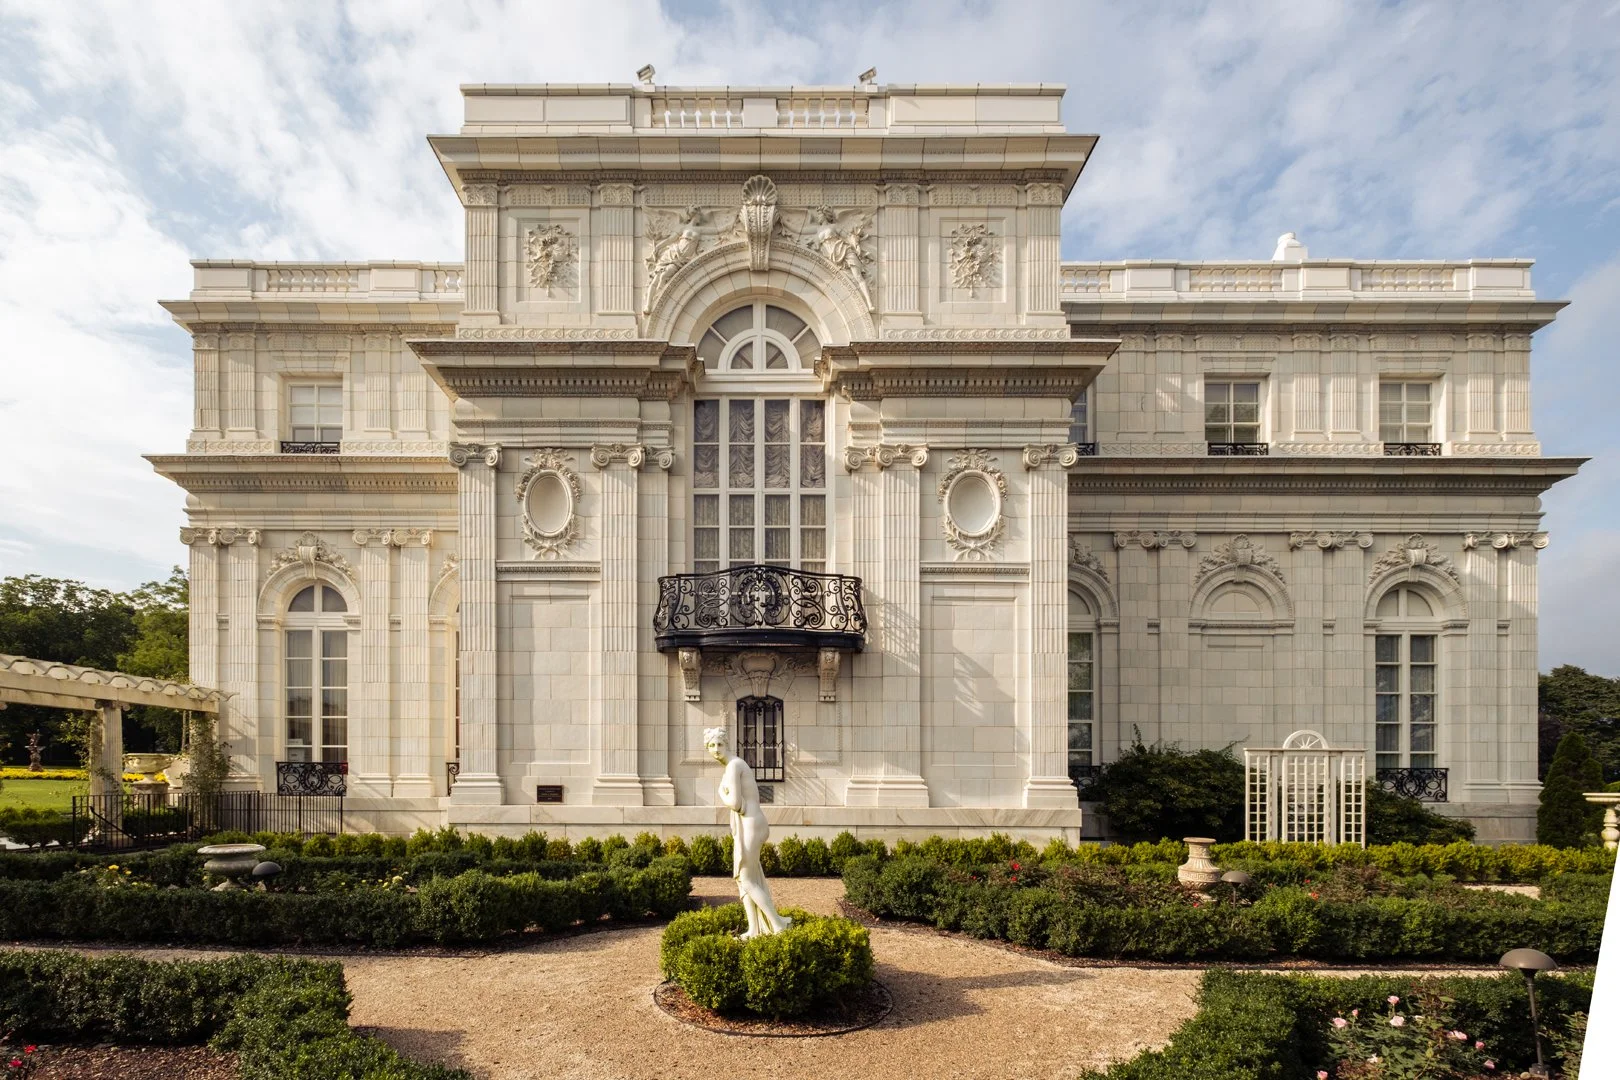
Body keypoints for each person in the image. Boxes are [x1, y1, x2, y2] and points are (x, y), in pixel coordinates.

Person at [705, 725, 790, 938]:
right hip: (747, 825)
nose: (716, 749)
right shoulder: (731, 767)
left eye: (720, 744)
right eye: (711, 746)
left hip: (751, 825)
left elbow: (734, 803)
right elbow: (740, 804)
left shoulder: (734, 765)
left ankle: (777, 924)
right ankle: (754, 929)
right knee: (745, 879)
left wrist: (720, 793)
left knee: (748, 879)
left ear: (728, 745)